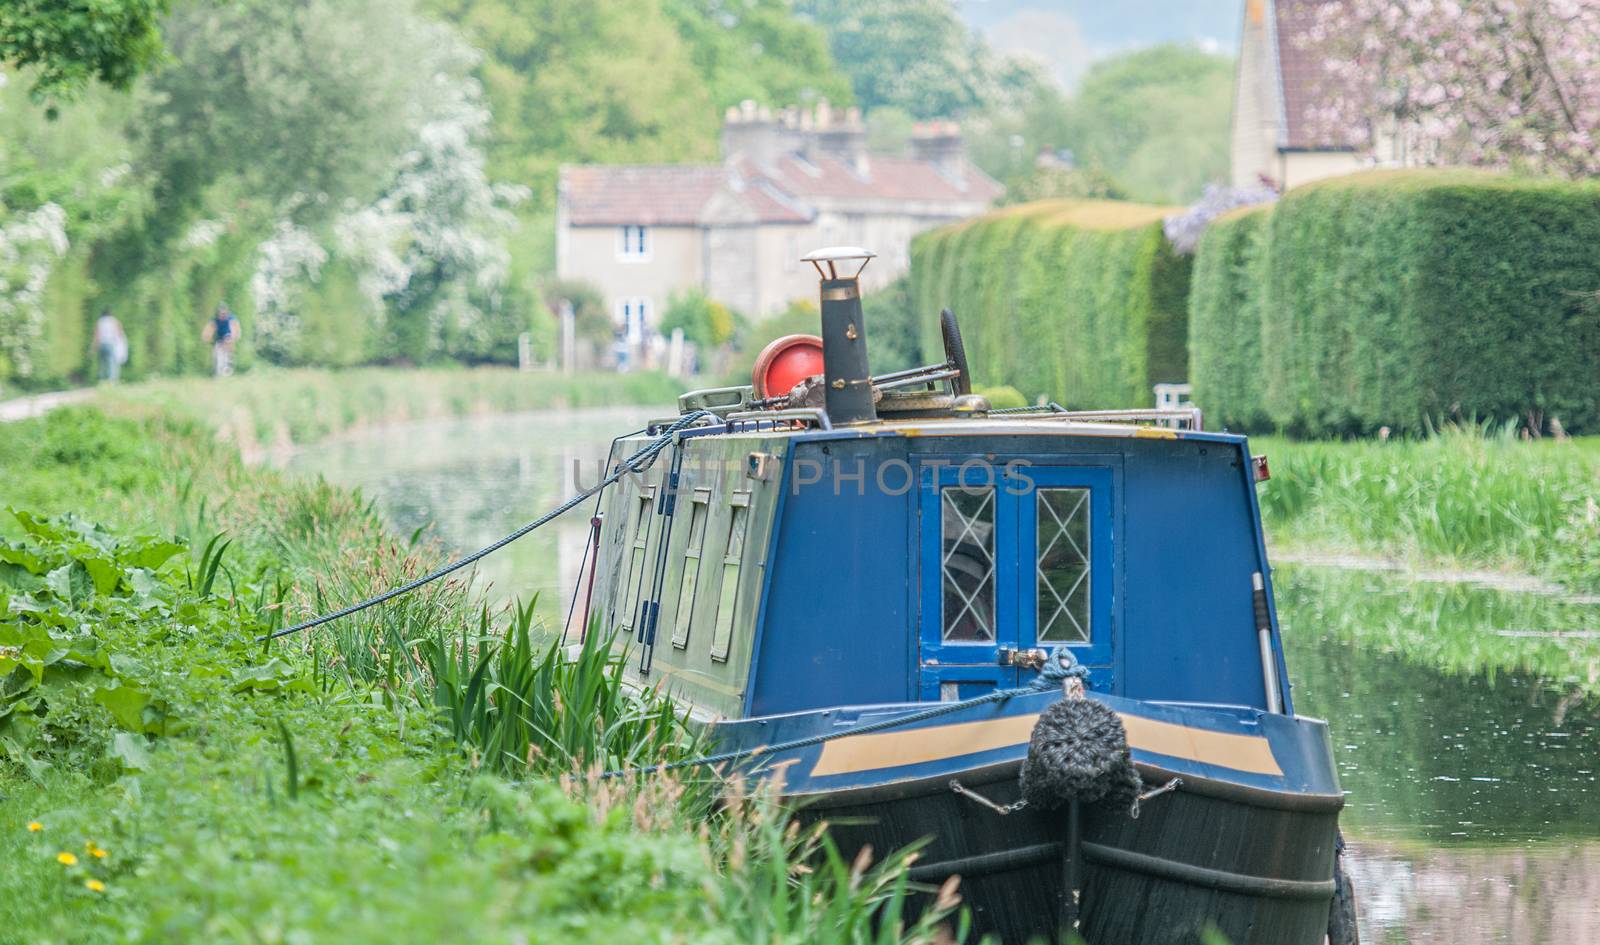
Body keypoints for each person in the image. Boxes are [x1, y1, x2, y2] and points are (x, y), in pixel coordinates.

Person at [202, 303, 240, 376]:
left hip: (229, 336)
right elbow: (207, 331)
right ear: (218, 314)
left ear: (227, 313)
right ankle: (218, 372)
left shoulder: (231, 319)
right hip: (219, 338)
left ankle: (229, 364)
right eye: (221, 313)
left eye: (225, 313)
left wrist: (232, 340)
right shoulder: (215, 320)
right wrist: (207, 338)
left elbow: (235, 331)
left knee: (227, 339)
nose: (223, 315)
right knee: (216, 353)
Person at [91, 310, 127, 383]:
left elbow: (96, 335)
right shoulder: (114, 321)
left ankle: (101, 380)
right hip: (111, 344)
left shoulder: (99, 321)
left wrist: (93, 347)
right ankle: (112, 381)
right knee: (112, 363)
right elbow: (119, 333)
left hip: (101, 344)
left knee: (101, 363)